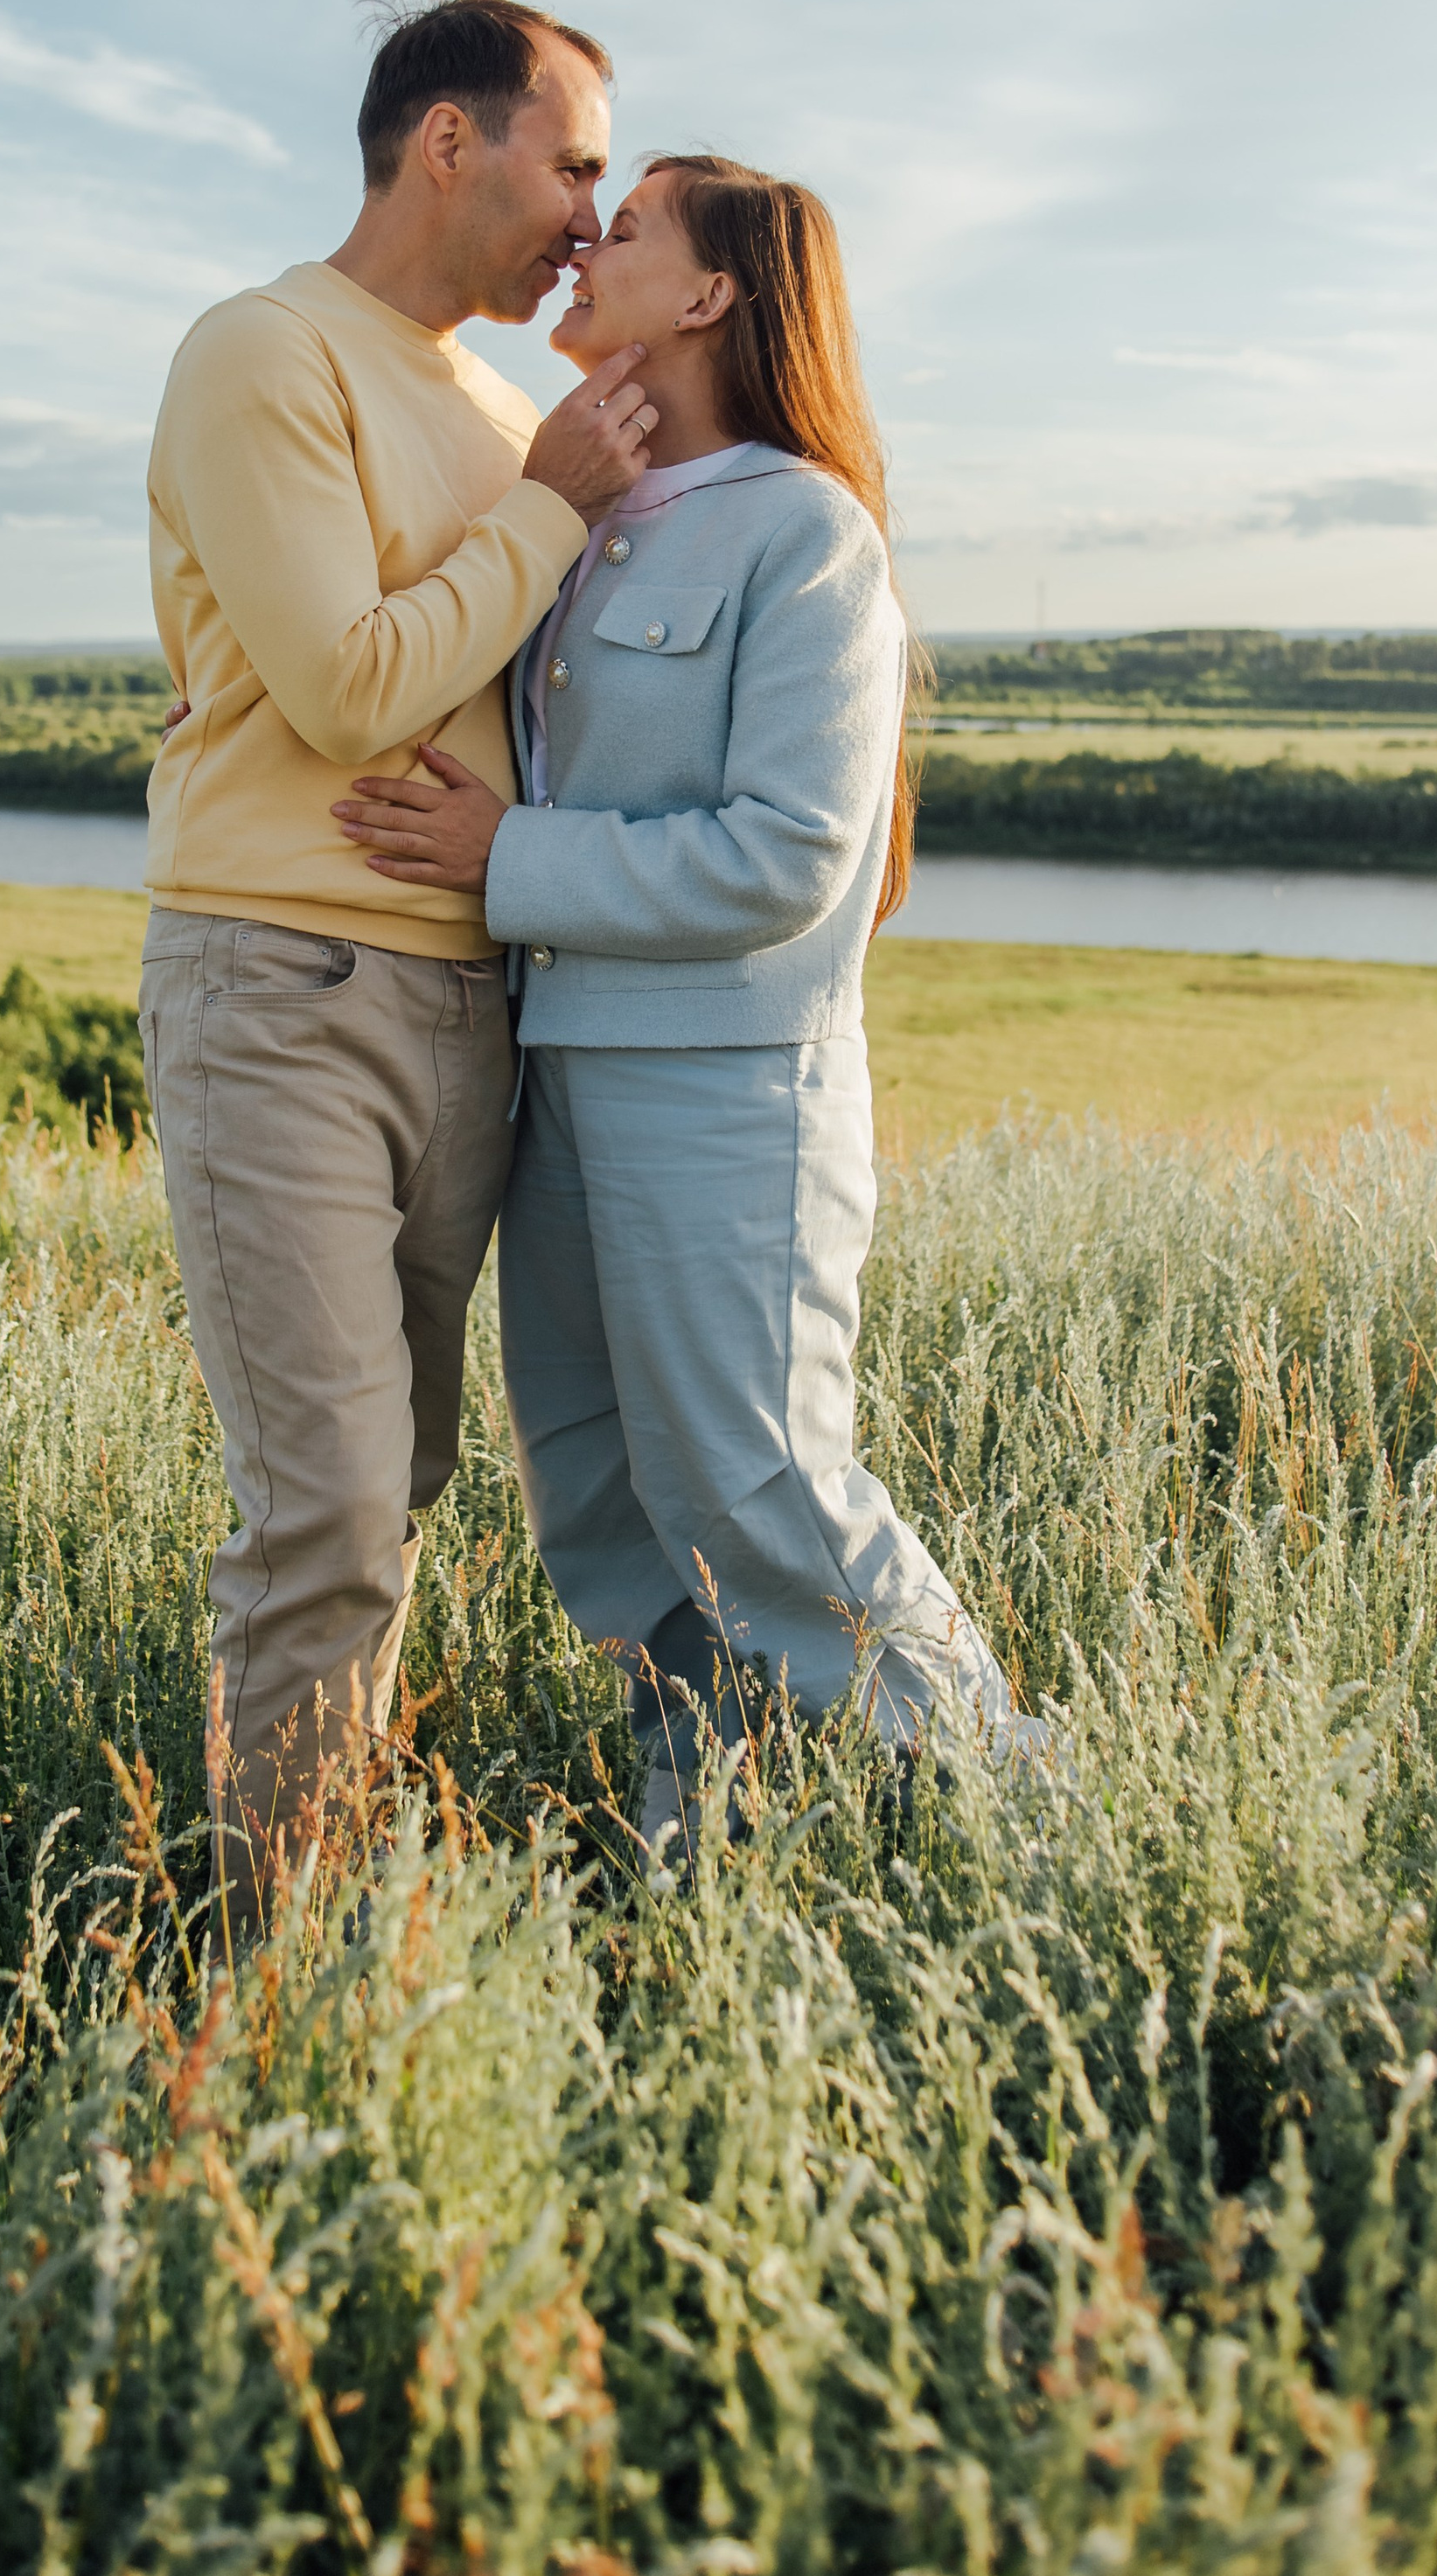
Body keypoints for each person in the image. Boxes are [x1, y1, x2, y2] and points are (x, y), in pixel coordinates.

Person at [333, 154, 1031, 1851]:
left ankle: (1023, 1820)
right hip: (557, 1088)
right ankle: (706, 1835)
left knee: (760, 1487)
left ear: (712, 294)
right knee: (600, 1493)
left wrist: (504, 858)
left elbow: (785, 858)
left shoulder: (803, 530)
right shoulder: (576, 511)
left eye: (625, 226)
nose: (584, 238)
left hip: (724, 1099)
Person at [138, 0, 659, 1933]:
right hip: (277, 985)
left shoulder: (515, 413)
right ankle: (272, 1985)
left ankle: (333, 1896)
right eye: (573, 162)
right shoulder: (260, 352)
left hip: (476, 1004)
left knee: (402, 1490)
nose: (588, 221)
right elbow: (350, 689)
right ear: (451, 141)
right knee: (332, 1513)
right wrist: (544, 516)